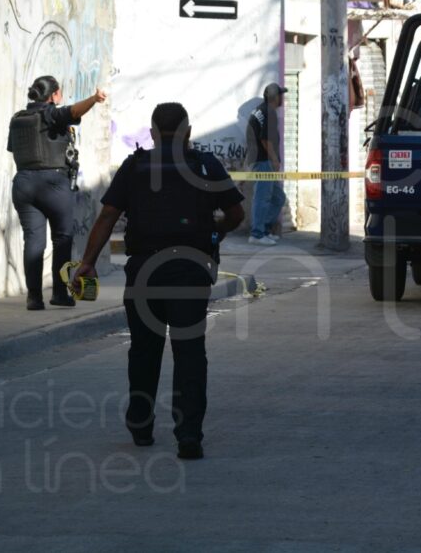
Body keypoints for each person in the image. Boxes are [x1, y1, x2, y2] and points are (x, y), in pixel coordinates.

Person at [71, 103, 245, 460]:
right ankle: (189, 436)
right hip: (190, 273)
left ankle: (141, 426)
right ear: (189, 132)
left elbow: (107, 215)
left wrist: (87, 262)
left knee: (144, 350)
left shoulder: (136, 166)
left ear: (152, 134)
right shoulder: (205, 165)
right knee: (190, 353)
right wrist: (217, 231)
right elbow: (236, 213)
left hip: (145, 272)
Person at [7, 76, 107, 310]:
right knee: (62, 238)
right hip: (52, 183)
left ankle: (34, 297)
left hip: (23, 183)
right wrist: (94, 99)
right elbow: (72, 112)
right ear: (53, 96)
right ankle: (60, 294)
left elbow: (14, 149)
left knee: (33, 241)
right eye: (59, 92)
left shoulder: (18, 119)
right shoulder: (50, 114)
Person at [246, 82, 288, 246]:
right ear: (275, 97)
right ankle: (257, 234)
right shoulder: (268, 112)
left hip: (259, 159)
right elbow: (265, 139)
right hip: (263, 161)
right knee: (262, 198)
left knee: (278, 197)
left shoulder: (260, 110)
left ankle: (263, 230)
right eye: (281, 95)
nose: (282, 98)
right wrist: (275, 159)